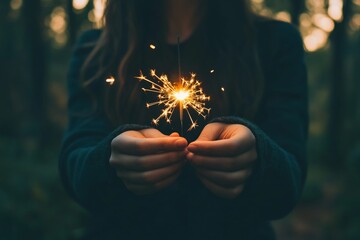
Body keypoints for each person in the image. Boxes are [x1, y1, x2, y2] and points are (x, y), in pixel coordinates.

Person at [59, 0, 308, 239]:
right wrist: (108, 161)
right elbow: (75, 164)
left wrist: (257, 157)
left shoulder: (274, 42)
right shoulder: (93, 51)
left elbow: (288, 186)